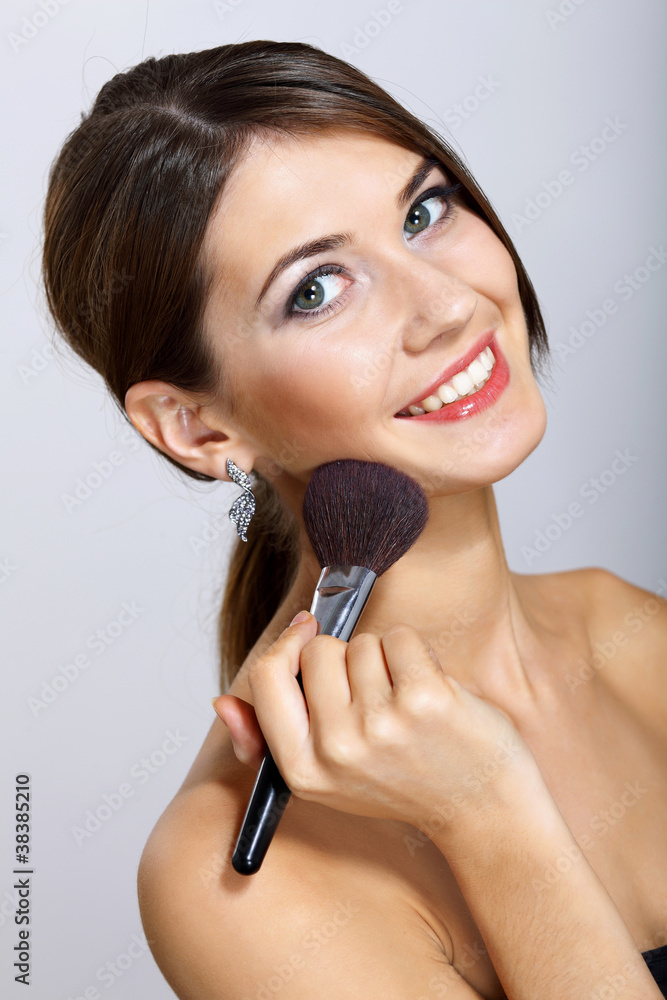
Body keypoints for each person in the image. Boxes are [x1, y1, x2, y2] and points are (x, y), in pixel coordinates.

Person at [41, 40, 667, 1000]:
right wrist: (487, 812)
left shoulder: (632, 630)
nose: (448, 305)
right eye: (317, 290)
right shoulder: (232, 882)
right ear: (196, 426)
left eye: (423, 212)